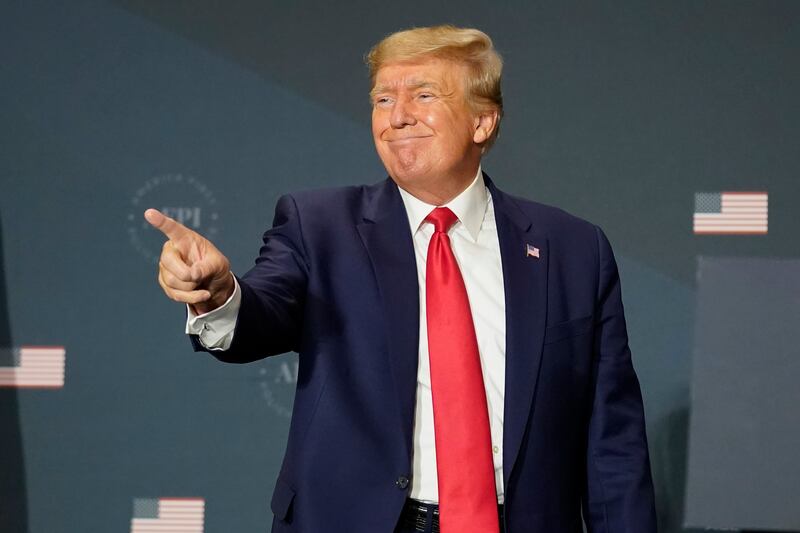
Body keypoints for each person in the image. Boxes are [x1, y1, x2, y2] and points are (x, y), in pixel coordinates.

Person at [145, 25, 656, 533]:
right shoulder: (320, 225)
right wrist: (218, 293)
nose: (397, 116)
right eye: (383, 98)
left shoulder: (573, 249)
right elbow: (263, 311)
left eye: (423, 95)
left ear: (483, 122)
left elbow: (613, 441)